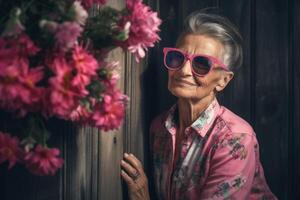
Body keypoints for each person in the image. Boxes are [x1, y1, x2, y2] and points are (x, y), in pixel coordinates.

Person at [120, 11, 278, 200]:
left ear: (223, 80)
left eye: (202, 64)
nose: (184, 71)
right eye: (177, 57)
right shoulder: (159, 127)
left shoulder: (235, 139)